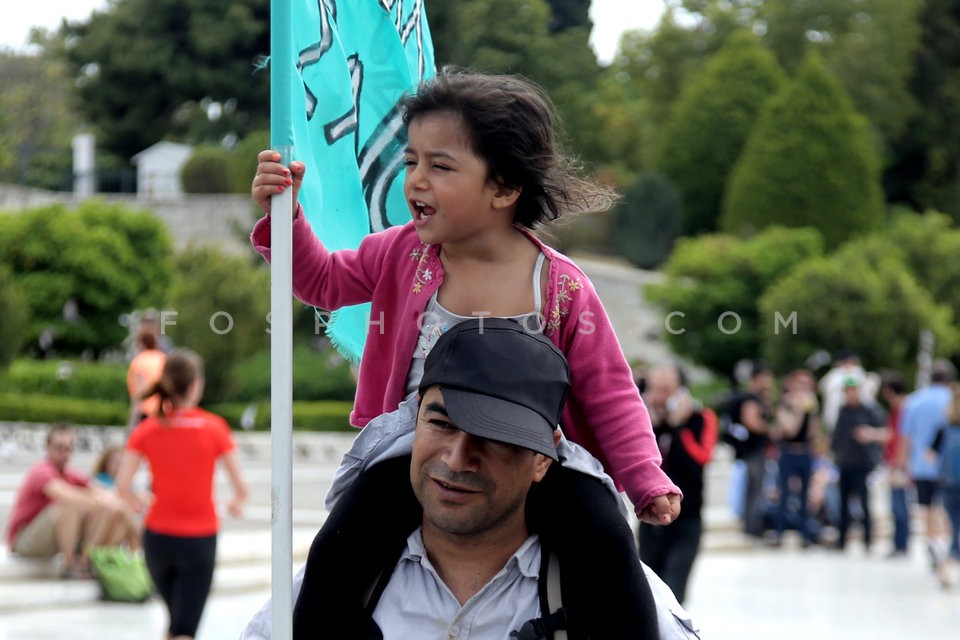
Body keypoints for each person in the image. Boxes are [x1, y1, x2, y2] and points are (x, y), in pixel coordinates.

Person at [251, 68, 681, 631]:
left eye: (440, 166)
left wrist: (644, 476)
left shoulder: (562, 287)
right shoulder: (401, 253)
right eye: (411, 162)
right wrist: (285, 217)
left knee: (603, 537)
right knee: (341, 543)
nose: (415, 182)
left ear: (503, 188)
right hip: (415, 449)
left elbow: (611, 391)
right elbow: (324, 282)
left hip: (530, 459)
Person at [250, 319, 676, 638]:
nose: (457, 459)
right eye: (441, 423)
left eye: (495, 438)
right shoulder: (319, 592)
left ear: (545, 457)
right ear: (413, 418)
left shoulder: (615, 590)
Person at [116, 349, 249, 640]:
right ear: (194, 385)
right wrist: (236, 503)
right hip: (198, 541)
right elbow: (241, 488)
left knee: (176, 625)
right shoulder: (214, 427)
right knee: (184, 630)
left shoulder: (148, 428)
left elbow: (122, 486)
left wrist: (140, 504)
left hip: (157, 539)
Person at [6, 425, 140, 579]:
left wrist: (114, 505)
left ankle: (88, 561)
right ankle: (69, 566)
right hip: (23, 541)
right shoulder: (41, 471)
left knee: (108, 511)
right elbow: (65, 495)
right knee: (68, 507)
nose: (64, 453)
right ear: (48, 448)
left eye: (68, 449)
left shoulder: (70, 474)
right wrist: (104, 502)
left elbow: (99, 491)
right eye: (59, 448)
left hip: (50, 539)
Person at [639, 363, 718, 604]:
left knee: (672, 594)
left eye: (666, 390)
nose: (658, 397)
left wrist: (678, 426)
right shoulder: (643, 423)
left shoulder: (700, 420)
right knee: (645, 596)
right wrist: (648, 425)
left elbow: (698, 462)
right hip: (649, 521)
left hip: (687, 521)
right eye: (653, 389)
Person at [901, 358, 955, 568]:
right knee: (945, 508)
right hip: (950, 467)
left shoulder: (914, 401)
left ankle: (932, 541)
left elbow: (907, 437)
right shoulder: (953, 399)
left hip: (921, 464)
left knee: (926, 508)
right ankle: (943, 543)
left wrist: (903, 463)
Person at [830, 374, 888, 551]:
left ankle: (868, 540)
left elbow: (886, 432)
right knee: (843, 502)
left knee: (864, 503)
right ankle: (842, 540)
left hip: (863, 463)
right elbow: (837, 437)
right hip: (845, 462)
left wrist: (870, 434)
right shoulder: (843, 411)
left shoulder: (870, 410)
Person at [723, 360, 774, 538]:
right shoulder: (750, 398)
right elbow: (751, 421)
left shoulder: (752, 397)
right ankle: (752, 525)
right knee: (755, 488)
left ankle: (750, 523)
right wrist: (771, 429)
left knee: (753, 488)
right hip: (753, 450)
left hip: (749, 450)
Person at [771, 368, 821, 547]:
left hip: (805, 452)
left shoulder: (810, 406)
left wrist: (812, 413)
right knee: (783, 494)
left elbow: (814, 433)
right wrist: (799, 410)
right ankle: (779, 533)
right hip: (788, 452)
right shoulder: (785, 406)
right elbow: (790, 429)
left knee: (805, 495)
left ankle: (805, 535)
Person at [929, 383, 960, 587]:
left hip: (949, 484)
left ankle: (945, 567)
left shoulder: (945, 427)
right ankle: (948, 561)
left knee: (953, 526)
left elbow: (931, 454)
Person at [879, 371, 910, 557]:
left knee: (899, 506)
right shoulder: (897, 410)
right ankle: (898, 543)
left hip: (899, 462)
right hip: (895, 460)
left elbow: (903, 438)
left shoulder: (903, 410)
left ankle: (901, 544)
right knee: (895, 505)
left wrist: (898, 462)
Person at [126, 322, 167, 429]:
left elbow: (139, 395)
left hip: (145, 414)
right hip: (163, 412)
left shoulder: (139, 361)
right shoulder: (163, 359)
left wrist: (131, 425)